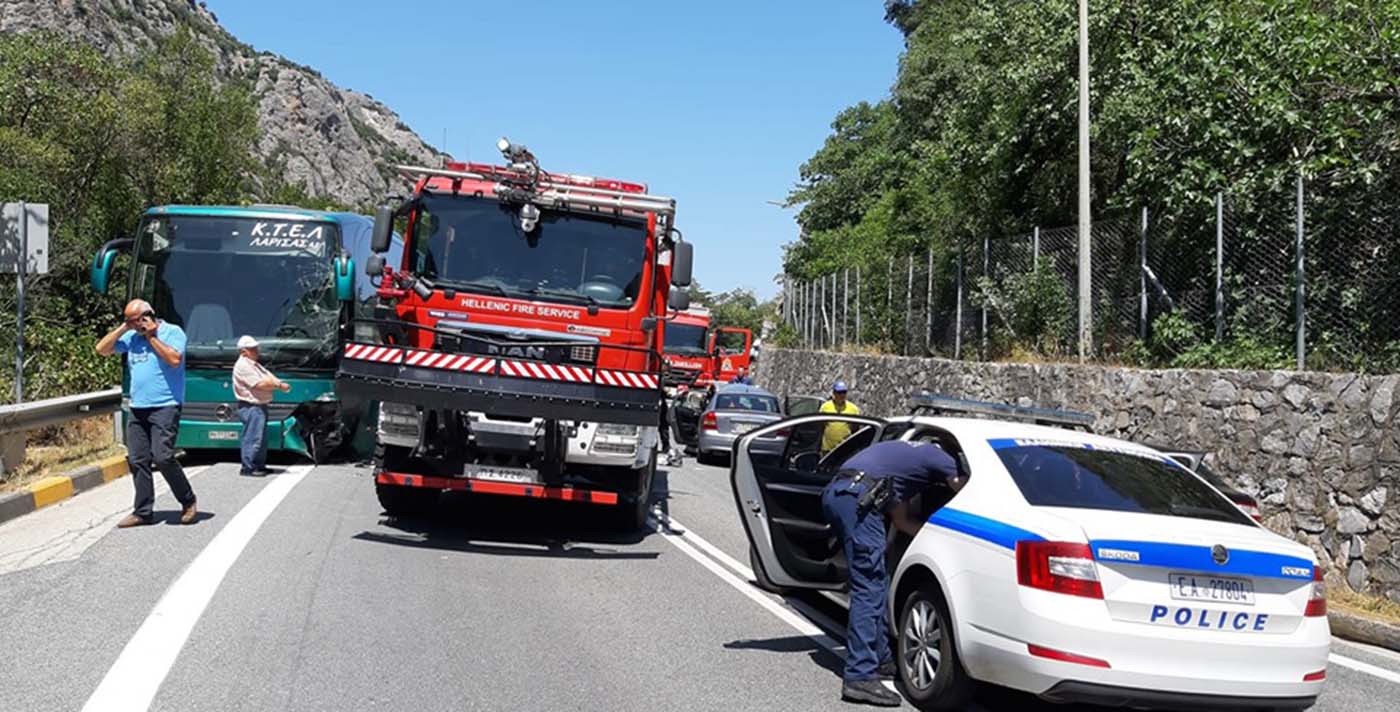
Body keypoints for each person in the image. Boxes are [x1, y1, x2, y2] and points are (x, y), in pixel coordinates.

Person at [820, 440, 965, 707]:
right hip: (858, 499)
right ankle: (860, 676)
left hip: (840, 493)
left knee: (877, 581)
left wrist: (938, 539)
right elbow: (963, 487)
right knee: (870, 587)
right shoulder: (934, 453)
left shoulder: (901, 464)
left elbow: (901, 521)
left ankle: (882, 659)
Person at [95, 299, 198, 528]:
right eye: (130, 320)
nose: (134, 325)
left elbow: (174, 360)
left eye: (136, 320)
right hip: (138, 406)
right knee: (137, 459)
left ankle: (188, 500)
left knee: (162, 457)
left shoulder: (172, 332)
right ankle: (143, 511)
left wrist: (151, 336)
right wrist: (124, 328)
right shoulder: (131, 337)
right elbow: (101, 350)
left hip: (165, 405)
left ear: (148, 316)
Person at [231, 335, 291, 476]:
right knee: (253, 437)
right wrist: (279, 385)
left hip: (259, 406)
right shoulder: (243, 366)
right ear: (243, 351)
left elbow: (268, 376)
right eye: (252, 349)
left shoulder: (254, 364)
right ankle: (248, 467)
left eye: (256, 348)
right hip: (251, 406)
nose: (256, 351)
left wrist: (278, 382)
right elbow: (260, 384)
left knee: (261, 438)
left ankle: (258, 465)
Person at [820, 380, 861, 452]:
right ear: (834, 393)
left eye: (844, 392)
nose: (842, 395)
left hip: (844, 449)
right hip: (827, 449)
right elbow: (821, 425)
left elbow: (856, 428)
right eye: (839, 393)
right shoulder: (825, 407)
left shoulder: (853, 409)